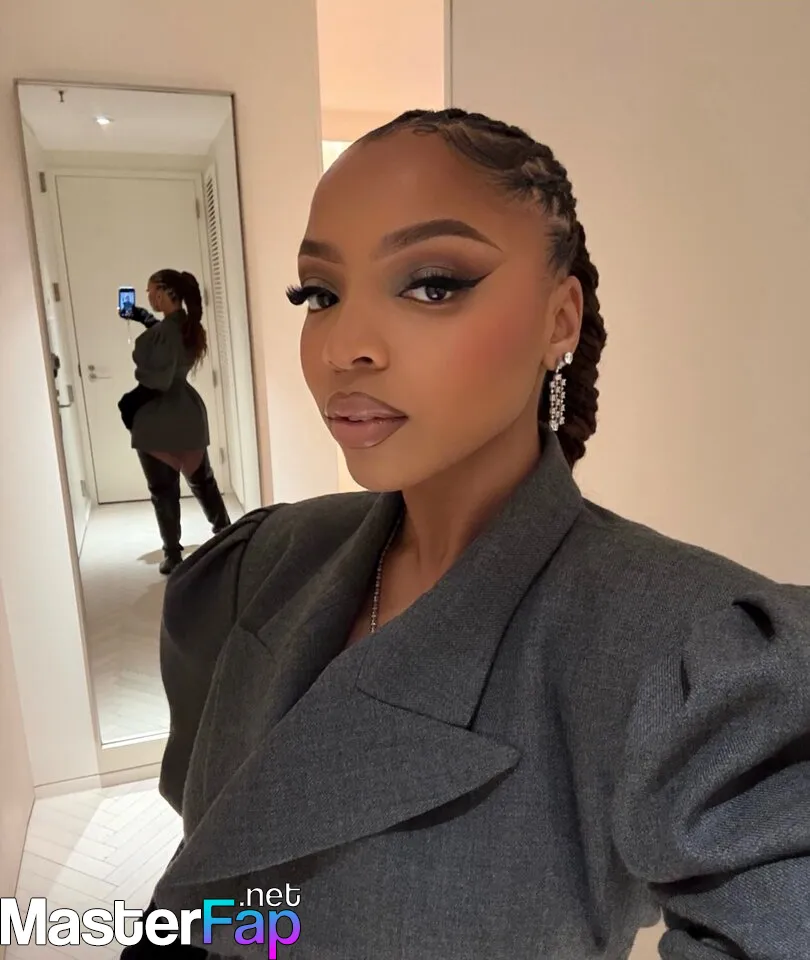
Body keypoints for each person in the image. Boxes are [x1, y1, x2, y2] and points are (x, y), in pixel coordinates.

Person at [124, 110, 809, 959]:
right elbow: (215, 872)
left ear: (560, 321)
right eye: (320, 295)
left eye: (433, 284)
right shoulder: (264, 562)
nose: (345, 346)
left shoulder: (689, 652)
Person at [118, 269, 230, 575]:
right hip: (188, 413)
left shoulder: (164, 334)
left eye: (150, 291)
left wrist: (130, 404)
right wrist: (145, 319)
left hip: (157, 419)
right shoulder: (189, 327)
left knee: (163, 491)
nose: (149, 296)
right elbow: (169, 347)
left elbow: (157, 373)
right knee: (203, 482)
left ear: (164, 291)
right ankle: (226, 535)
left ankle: (173, 554)